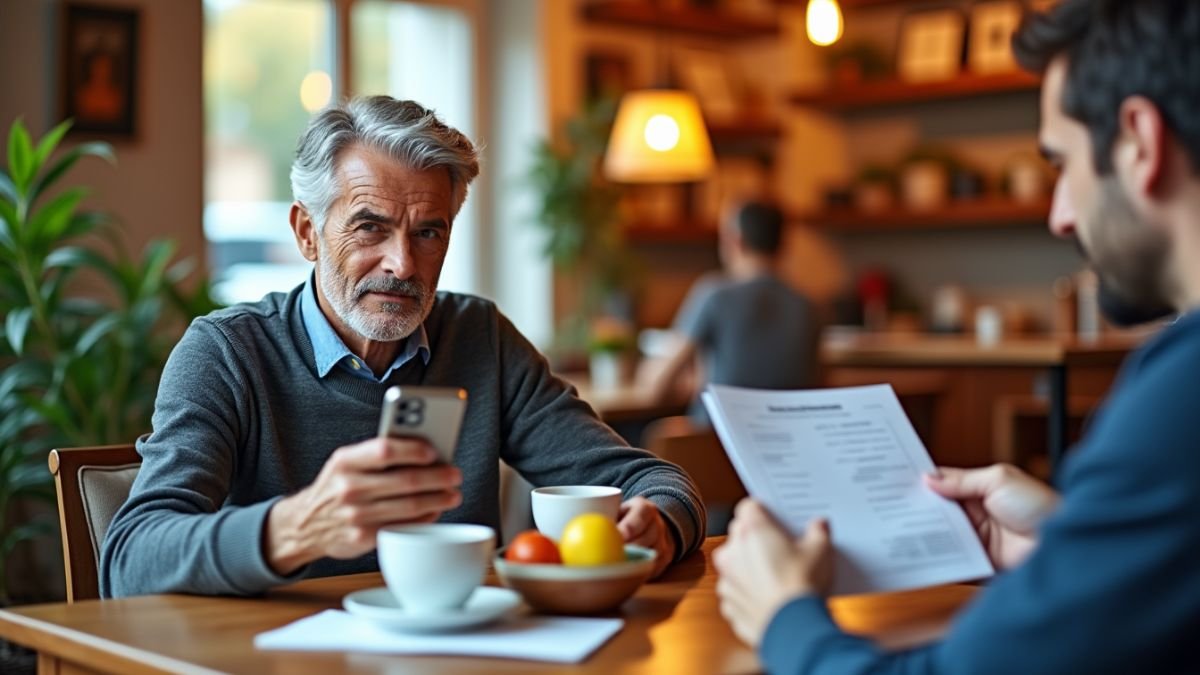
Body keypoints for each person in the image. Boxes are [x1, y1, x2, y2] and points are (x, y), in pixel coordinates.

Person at [713, 1, 1200, 672]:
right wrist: (1063, 545)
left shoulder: (1182, 392)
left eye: (1059, 164)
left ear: (1140, 142)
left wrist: (784, 615)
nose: (1059, 216)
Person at [100, 96, 705, 597]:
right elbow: (128, 562)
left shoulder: (480, 339)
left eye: (428, 232)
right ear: (307, 232)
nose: (403, 263)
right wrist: (298, 528)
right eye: (370, 226)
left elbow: (656, 482)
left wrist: (659, 524)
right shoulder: (226, 354)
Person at [647, 201, 821, 426]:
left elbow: (656, 387)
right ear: (782, 243)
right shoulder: (810, 307)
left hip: (713, 448)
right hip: (787, 447)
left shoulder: (713, 295)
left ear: (734, 241)